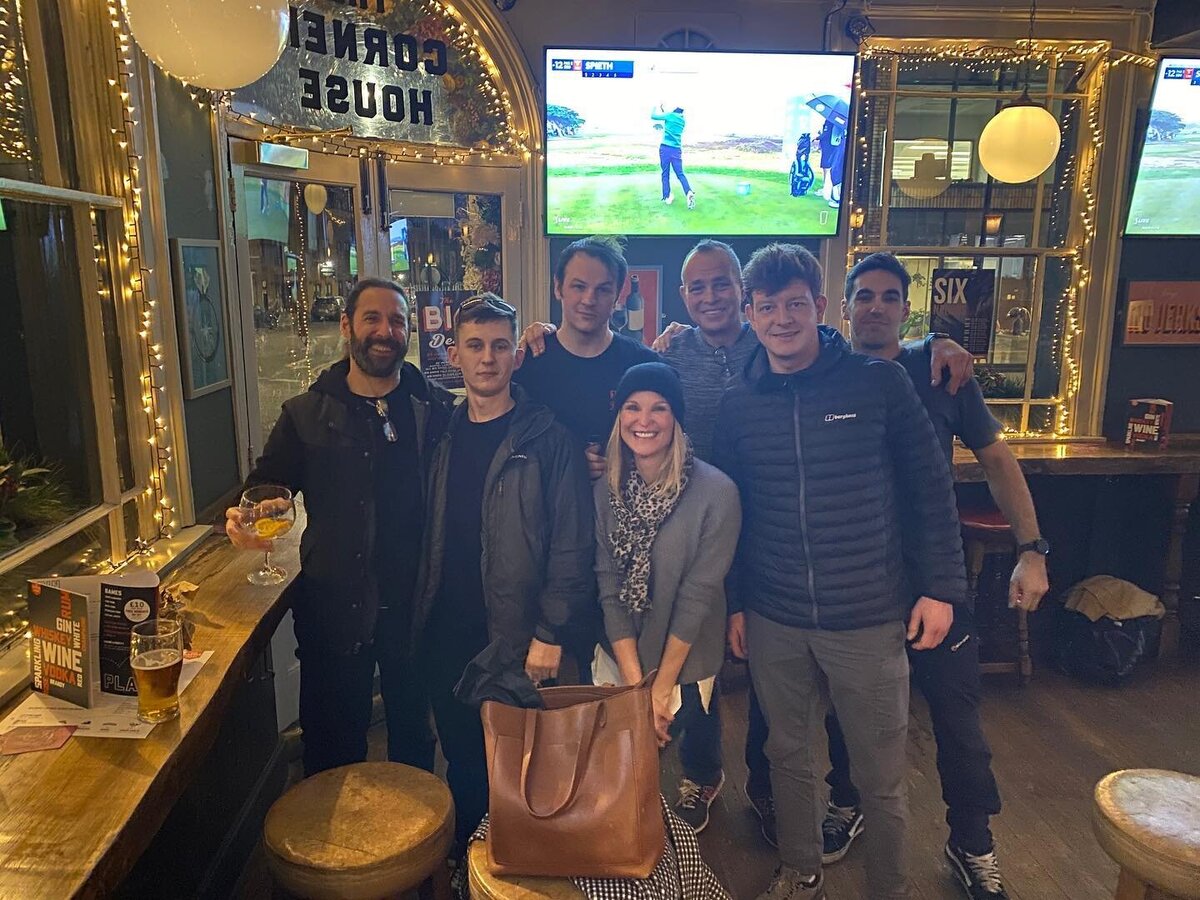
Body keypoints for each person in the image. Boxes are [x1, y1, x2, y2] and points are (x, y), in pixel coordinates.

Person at [714, 244, 966, 900]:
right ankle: (801, 874)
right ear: (751, 313)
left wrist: (940, 588)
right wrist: (737, 602)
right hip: (774, 614)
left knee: (880, 776)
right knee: (786, 759)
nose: (781, 319)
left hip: (869, 614)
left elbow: (930, 489)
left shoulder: (877, 384)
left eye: (795, 304)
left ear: (820, 307)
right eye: (766, 307)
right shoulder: (738, 401)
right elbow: (731, 513)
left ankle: (889, 888)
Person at [813, 252, 1048, 900]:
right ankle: (847, 801)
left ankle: (972, 841)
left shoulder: (941, 372)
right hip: (858, 583)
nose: (877, 307)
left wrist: (1033, 548)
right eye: (865, 296)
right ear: (847, 308)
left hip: (936, 578)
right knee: (845, 714)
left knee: (958, 722)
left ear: (907, 309)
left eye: (891, 297)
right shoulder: (825, 370)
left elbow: (998, 460)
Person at [225, 277, 453, 778]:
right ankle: (328, 856)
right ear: (347, 326)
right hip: (334, 611)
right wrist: (242, 519)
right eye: (372, 318)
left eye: (397, 320)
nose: (385, 331)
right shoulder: (306, 414)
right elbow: (266, 487)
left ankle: (417, 853)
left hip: (414, 611)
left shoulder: (433, 409)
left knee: (415, 742)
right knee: (332, 750)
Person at [412, 292, 594, 850]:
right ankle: (472, 863)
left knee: (524, 764)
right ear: (455, 355)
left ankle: (524, 866)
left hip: (518, 635)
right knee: (464, 758)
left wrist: (549, 633)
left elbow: (572, 545)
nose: (487, 358)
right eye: (474, 346)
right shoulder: (437, 431)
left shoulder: (548, 438)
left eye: (498, 346)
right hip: (448, 629)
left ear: (517, 355)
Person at [650, 239, 978, 463]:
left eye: (721, 284)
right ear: (684, 295)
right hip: (699, 514)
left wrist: (933, 341)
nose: (710, 297)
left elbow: (855, 355)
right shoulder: (668, 355)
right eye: (698, 288)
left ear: (741, 291)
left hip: (775, 515)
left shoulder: (781, 338)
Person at [593, 362, 741, 833]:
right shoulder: (606, 490)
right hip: (626, 643)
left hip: (688, 645)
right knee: (625, 746)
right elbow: (608, 585)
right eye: (633, 406)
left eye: (660, 408)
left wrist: (660, 690)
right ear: (618, 417)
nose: (645, 419)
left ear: (677, 419)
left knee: (695, 728)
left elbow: (698, 597)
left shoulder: (716, 492)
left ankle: (703, 778)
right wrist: (638, 690)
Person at [652, 105, 695, 209]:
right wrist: (664, 110)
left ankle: (667, 197)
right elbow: (669, 116)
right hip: (676, 150)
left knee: (665, 173)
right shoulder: (682, 121)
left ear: (674, 110)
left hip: (665, 149)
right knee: (680, 174)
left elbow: (653, 116)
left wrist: (654, 107)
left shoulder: (669, 115)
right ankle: (688, 192)